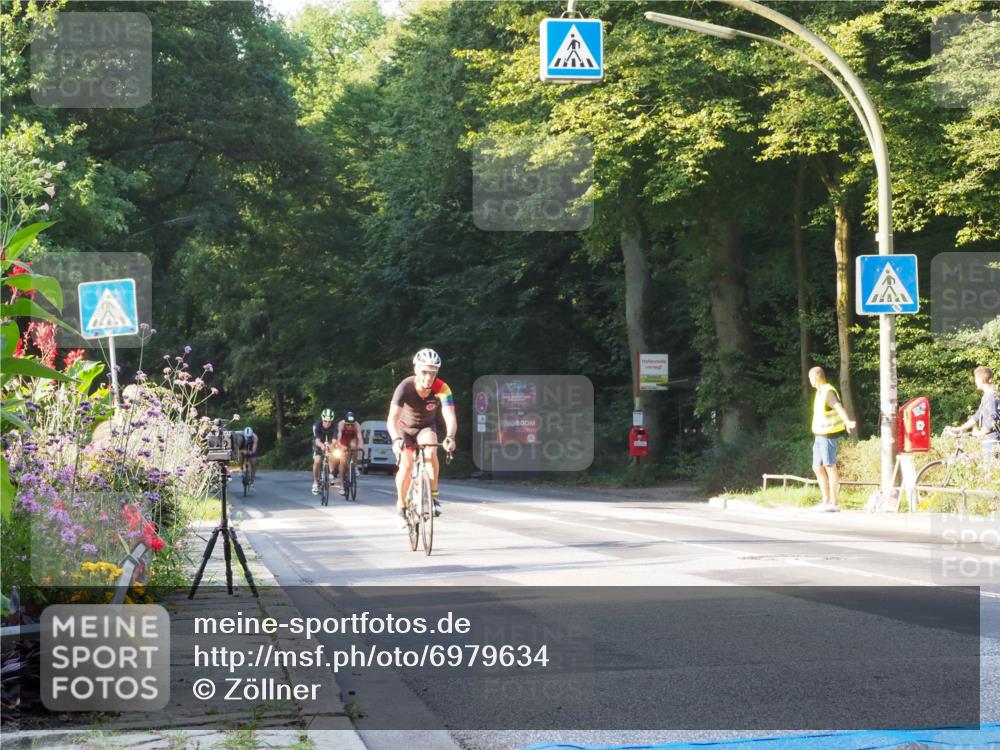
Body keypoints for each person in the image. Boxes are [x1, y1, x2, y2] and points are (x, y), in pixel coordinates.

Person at [387, 348, 457, 520]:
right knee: (407, 465)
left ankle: (432, 498)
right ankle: (402, 504)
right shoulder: (405, 387)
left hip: (426, 427)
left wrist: (450, 436)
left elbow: (449, 415)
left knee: (432, 451)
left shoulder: (443, 388)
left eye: (433, 373)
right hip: (404, 429)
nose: (429, 377)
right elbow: (392, 418)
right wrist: (396, 439)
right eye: (425, 371)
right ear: (416, 369)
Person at [808, 366, 856, 512]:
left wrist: (847, 422)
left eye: (810, 378)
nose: (809, 381)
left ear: (816, 378)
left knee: (830, 466)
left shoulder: (828, 392)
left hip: (828, 435)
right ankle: (826, 500)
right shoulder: (820, 392)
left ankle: (834, 503)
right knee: (817, 467)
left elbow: (839, 407)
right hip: (819, 435)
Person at [946, 365, 999, 460]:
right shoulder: (986, 396)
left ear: (981, 379)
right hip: (988, 441)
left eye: (976, 379)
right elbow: (976, 417)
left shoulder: (991, 396)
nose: (975, 381)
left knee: (988, 473)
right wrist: (960, 428)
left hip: (992, 442)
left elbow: (991, 422)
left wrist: (978, 433)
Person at [335, 412, 366, 496]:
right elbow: (338, 438)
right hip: (343, 440)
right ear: (345, 422)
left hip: (352, 438)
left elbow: (359, 437)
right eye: (348, 424)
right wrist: (341, 446)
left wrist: (361, 445)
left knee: (354, 446)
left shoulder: (357, 425)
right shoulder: (341, 424)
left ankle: (354, 466)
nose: (349, 426)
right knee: (342, 462)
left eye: (351, 425)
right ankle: (341, 485)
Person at [312, 408, 338, 495]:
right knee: (317, 461)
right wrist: (322, 446)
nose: (327, 423)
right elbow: (317, 441)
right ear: (322, 419)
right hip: (319, 444)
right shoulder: (317, 426)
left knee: (334, 455)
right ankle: (315, 482)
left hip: (330, 443)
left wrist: (331, 447)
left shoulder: (335, 426)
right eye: (325, 421)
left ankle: (331, 473)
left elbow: (334, 440)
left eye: (329, 421)